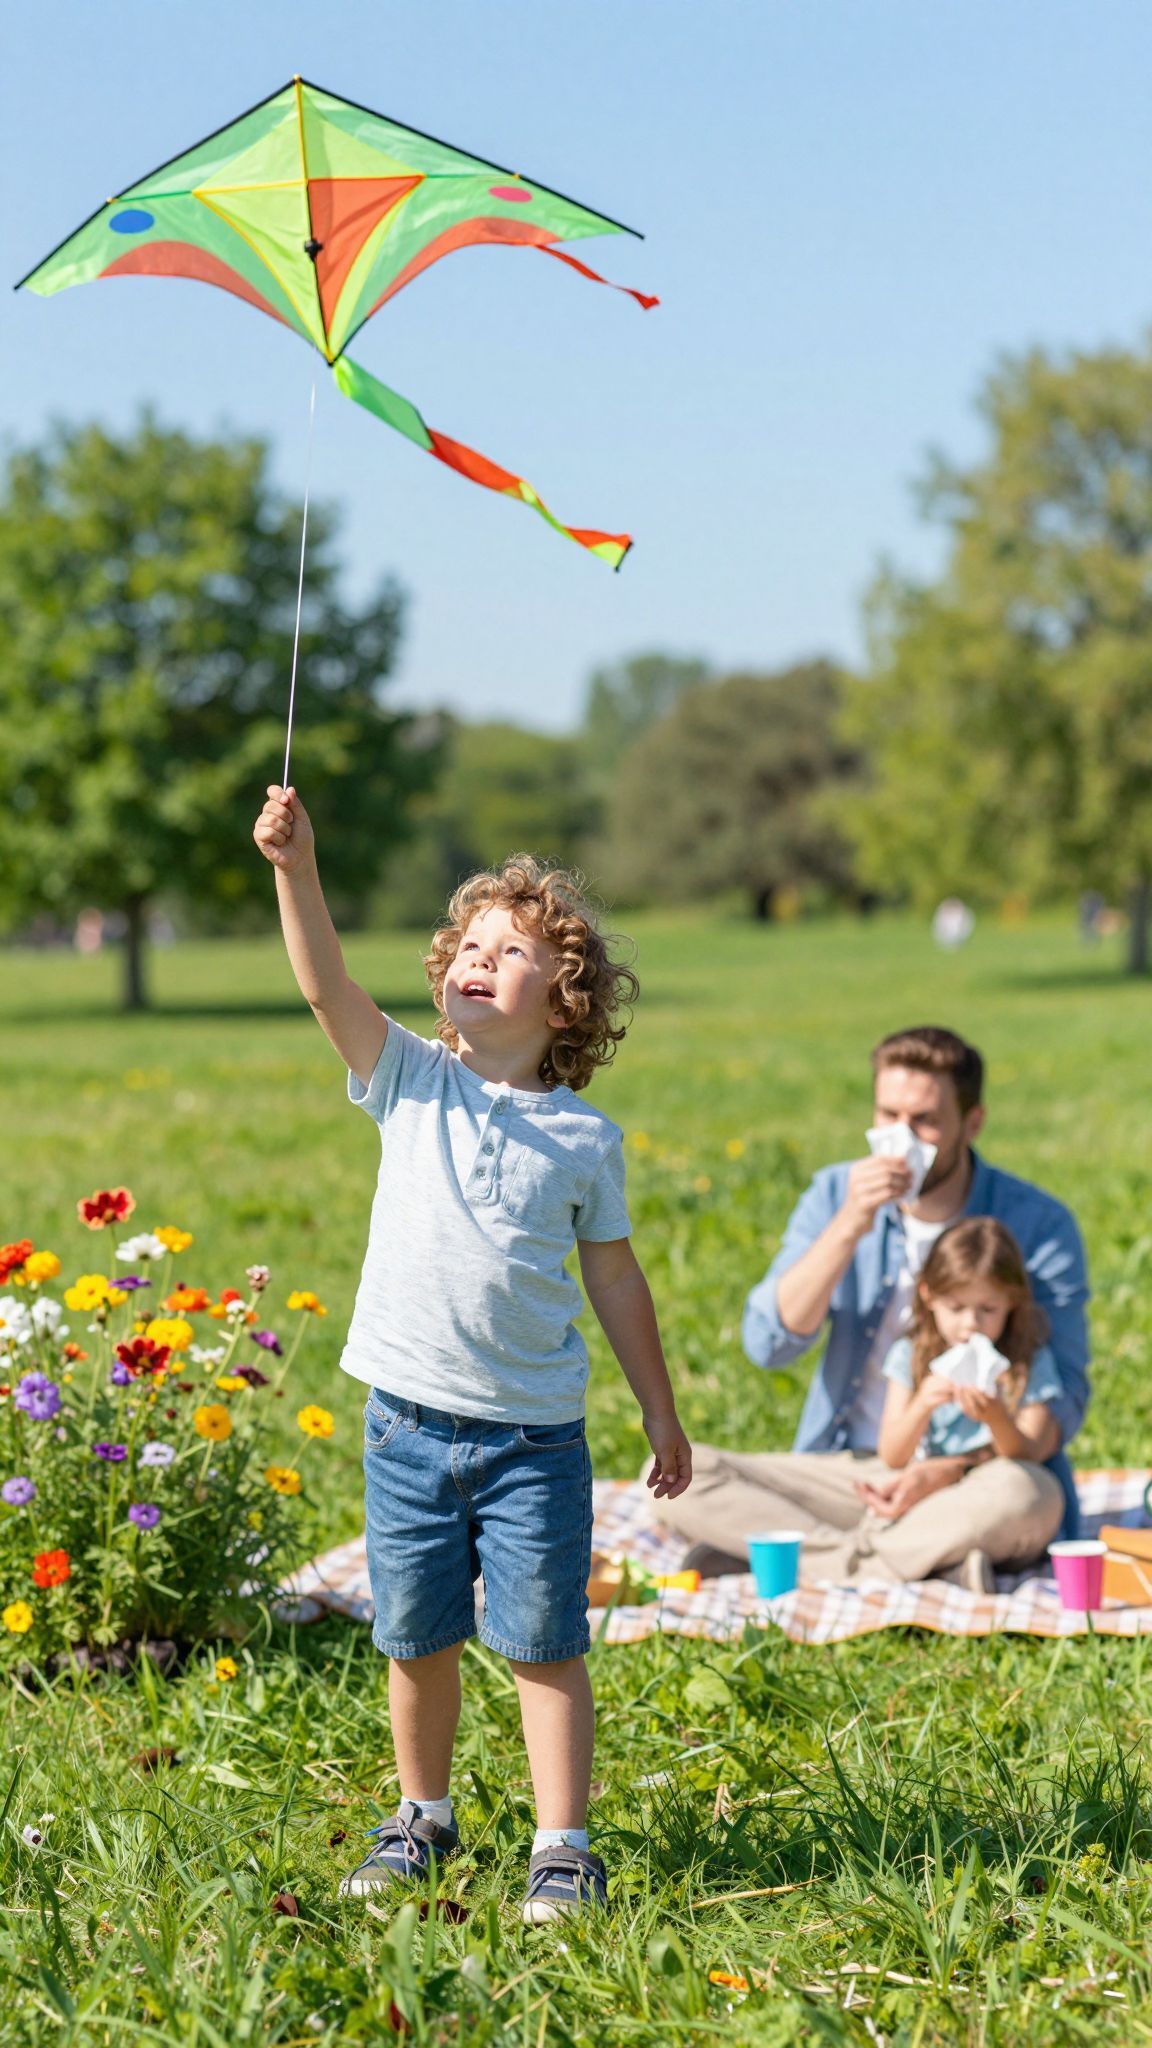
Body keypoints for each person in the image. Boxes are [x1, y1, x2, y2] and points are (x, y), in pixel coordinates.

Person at [253, 787, 690, 1922]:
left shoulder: (585, 1138)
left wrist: (660, 1410)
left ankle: (563, 1843)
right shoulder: (410, 1078)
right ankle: (424, 1816)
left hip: (533, 1438)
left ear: (567, 1001)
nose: (482, 959)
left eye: (515, 949)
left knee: (545, 1642)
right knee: (415, 1636)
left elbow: (615, 1279)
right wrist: (297, 870)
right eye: (471, 945)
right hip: (405, 1427)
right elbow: (323, 985)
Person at [654, 1025, 1089, 1583]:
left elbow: (1063, 1402)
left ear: (972, 1123)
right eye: (888, 1117)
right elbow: (768, 1345)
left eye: (925, 1122)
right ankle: (920, 1562)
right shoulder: (837, 1194)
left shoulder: (1038, 1224)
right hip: (851, 1471)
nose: (901, 1138)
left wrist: (947, 1471)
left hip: (975, 1478)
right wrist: (850, 1223)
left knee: (1029, 1496)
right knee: (676, 1478)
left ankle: (790, 1559)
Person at [768, 1218, 1065, 1585]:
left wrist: (997, 1418)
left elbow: (1027, 1454)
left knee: (1029, 1491)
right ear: (929, 1296)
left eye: (987, 1309)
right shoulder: (911, 1355)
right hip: (910, 1494)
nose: (970, 1324)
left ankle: (830, 1559)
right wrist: (923, 1404)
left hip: (977, 1496)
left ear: (1011, 1303)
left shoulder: (1026, 1362)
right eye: (956, 1308)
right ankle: (939, 1565)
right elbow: (893, 1454)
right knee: (696, 1470)